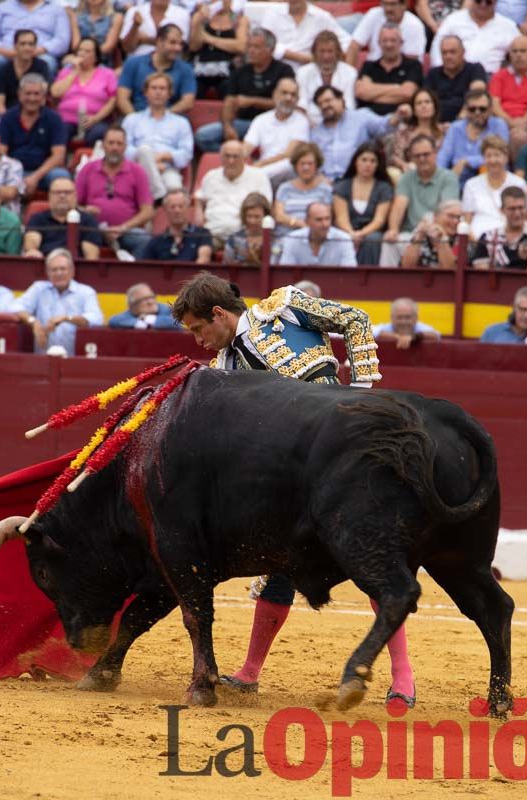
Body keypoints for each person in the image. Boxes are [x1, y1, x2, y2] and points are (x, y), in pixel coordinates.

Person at [169, 273, 411, 707]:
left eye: (197, 328)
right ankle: (250, 671)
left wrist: (358, 401)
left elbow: (355, 320)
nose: (198, 340)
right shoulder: (221, 372)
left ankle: (403, 679)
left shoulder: (282, 307)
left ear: (219, 314)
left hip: (342, 458)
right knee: (277, 565)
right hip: (285, 478)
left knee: (370, 562)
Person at [198, 27, 293, 153]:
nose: (251, 51)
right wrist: (228, 127)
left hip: (273, 123)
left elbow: (286, 104)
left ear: (270, 50)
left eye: (256, 47)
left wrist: (252, 101)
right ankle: (237, 158)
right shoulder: (240, 72)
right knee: (203, 136)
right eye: (249, 46)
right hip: (245, 123)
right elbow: (229, 102)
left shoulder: (284, 71)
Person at [75, 126, 154, 257]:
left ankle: (135, 277)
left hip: (126, 231)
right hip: (92, 229)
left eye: (119, 144)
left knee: (145, 241)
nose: (115, 148)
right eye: (111, 143)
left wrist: (122, 228)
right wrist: (85, 211)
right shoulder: (88, 169)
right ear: (103, 145)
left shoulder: (137, 171)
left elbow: (148, 211)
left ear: (125, 147)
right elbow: (73, 205)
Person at [386, 134, 460, 265]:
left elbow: (447, 209)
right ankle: (388, 283)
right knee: (390, 242)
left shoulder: (449, 177)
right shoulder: (406, 178)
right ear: (412, 157)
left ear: (435, 153)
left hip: (439, 230)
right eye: (417, 155)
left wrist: (429, 228)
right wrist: (393, 229)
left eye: (426, 154)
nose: (422, 159)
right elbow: (399, 206)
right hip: (411, 233)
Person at [16, 249, 104, 355]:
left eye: (63, 269)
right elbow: (14, 307)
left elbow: (97, 319)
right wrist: (33, 322)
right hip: (43, 360)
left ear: (72, 271)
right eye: (54, 270)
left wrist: (67, 318)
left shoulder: (86, 292)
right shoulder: (38, 288)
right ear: (47, 273)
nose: (59, 273)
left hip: (75, 360)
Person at [123, 71, 194, 201]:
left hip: (167, 169)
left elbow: (186, 154)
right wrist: (150, 161)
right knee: (144, 150)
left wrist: (163, 156)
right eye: (154, 88)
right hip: (136, 171)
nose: (158, 92)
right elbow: (124, 149)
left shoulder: (181, 122)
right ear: (145, 92)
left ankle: (154, 196)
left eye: (162, 88)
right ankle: (158, 195)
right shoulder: (131, 120)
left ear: (169, 93)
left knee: (176, 192)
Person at [310, 85, 403, 182]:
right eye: (320, 104)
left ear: (341, 100)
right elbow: (313, 162)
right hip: (327, 182)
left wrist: (399, 115)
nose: (324, 106)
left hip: (357, 181)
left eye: (328, 101)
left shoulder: (361, 117)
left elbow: (384, 126)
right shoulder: (316, 133)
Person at [0, 74, 71, 196]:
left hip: (44, 172)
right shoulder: (7, 118)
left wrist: (35, 177)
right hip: (14, 171)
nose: (32, 98)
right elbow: (1, 153)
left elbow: (58, 156)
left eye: (36, 94)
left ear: (43, 97)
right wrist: (15, 176)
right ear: (20, 95)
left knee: (61, 176)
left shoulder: (54, 119)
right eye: (28, 93)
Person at [193, 139, 272, 246]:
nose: (231, 161)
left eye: (236, 156)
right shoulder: (211, 176)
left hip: (244, 234)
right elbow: (199, 197)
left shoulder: (259, 177)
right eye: (227, 156)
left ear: (244, 158)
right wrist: (198, 212)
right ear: (220, 157)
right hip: (213, 232)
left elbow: (266, 208)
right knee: (195, 249)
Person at [333, 141, 393, 266]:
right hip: (347, 230)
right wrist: (351, 233)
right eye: (364, 160)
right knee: (341, 238)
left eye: (373, 161)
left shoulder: (384, 188)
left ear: (378, 164)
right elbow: (340, 218)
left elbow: (380, 220)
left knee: (373, 240)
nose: (368, 164)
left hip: (371, 232)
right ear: (356, 161)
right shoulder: (342, 186)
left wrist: (361, 234)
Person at [241, 77, 308, 186]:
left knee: (287, 165)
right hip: (263, 168)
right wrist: (238, 160)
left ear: (297, 99)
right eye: (284, 93)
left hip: (286, 168)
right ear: (274, 94)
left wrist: (261, 164)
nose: (288, 98)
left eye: (293, 95)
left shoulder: (301, 120)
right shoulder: (261, 119)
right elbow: (247, 147)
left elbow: (289, 154)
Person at [51, 37, 118, 148]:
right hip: (67, 118)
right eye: (80, 50)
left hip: (95, 119)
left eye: (87, 51)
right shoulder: (66, 72)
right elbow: (55, 93)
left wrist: (95, 118)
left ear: (96, 57)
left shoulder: (107, 74)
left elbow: (112, 100)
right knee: (60, 133)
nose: (82, 54)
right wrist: (74, 72)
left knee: (97, 134)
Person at [0, 0, 71, 79]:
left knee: (48, 63)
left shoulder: (56, 9)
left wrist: (37, 51)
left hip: (40, 54)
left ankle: (45, 98)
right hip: (6, 54)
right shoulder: (2, 8)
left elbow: (62, 40)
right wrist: (6, 52)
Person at [116, 25, 196, 115]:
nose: (178, 48)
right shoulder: (133, 63)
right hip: (136, 116)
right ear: (159, 42)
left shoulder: (186, 69)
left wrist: (162, 117)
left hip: (171, 120)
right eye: (172, 43)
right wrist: (137, 120)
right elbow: (122, 98)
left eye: (180, 44)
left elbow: (187, 102)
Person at [488, 35, 527, 155]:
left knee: (519, 137)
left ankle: (518, 172)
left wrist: (523, 122)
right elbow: (494, 104)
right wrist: (510, 122)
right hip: (502, 122)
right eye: (514, 51)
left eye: (523, 51)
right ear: (509, 55)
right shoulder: (499, 76)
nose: (518, 55)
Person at [438, 89, 509, 187]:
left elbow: (501, 155)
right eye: (472, 109)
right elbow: (444, 155)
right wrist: (440, 175)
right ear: (466, 110)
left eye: (482, 109)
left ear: (490, 109)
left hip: (490, 176)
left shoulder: (498, 125)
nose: (477, 112)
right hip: (459, 179)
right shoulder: (455, 127)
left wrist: (467, 161)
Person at [430, 0, 522, 73]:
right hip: (456, 76)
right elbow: (437, 45)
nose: (483, 4)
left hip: (491, 78)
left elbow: (524, 48)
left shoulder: (508, 26)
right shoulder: (454, 20)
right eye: (478, 1)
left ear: (496, 2)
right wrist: (441, 71)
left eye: (488, 2)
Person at [461, 136, 527, 238]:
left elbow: (524, 218)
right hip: (478, 241)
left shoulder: (519, 183)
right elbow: (467, 221)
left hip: (509, 239)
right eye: (488, 156)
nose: (492, 160)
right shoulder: (471, 184)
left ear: (505, 158)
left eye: (497, 155)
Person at [23, 177, 102, 260]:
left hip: (77, 268)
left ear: (75, 196)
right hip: (45, 266)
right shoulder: (38, 218)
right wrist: (32, 250)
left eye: (67, 192)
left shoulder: (88, 221)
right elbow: (31, 242)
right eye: (57, 192)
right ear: (49, 196)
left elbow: (91, 257)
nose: (62, 196)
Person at [471, 186, 527, 269]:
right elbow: (480, 273)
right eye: (512, 209)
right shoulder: (488, 238)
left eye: (521, 208)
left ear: (526, 208)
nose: (517, 213)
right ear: (502, 210)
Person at [354, 23, 423, 118]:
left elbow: (408, 94)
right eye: (384, 40)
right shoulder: (369, 66)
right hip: (369, 119)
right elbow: (361, 92)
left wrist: (372, 91)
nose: (388, 45)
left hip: (401, 120)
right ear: (378, 43)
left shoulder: (413, 65)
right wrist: (396, 87)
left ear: (401, 43)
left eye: (393, 40)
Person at [259, 0, 349, 69]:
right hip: (276, 69)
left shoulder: (322, 17)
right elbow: (263, 42)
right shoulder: (273, 13)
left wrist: (326, 56)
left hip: (312, 71)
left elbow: (346, 42)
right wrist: (301, 57)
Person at [272, 142, 333, 242]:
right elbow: (279, 216)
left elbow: (326, 218)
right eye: (302, 163)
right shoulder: (284, 188)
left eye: (310, 163)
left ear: (317, 165)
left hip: (315, 238)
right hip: (286, 237)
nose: (306, 167)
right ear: (295, 166)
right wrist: (299, 223)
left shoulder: (325, 190)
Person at [188, 0, 249, 100]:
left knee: (230, 88)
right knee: (194, 89)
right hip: (201, 68)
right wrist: (198, 22)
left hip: (228, 69)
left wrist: (208, 38)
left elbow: (240, 47)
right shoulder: (201, 18)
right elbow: (194, 46)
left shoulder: (238, 19)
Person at [295, 30, 357, 126]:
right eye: (322, 51)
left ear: (337, 52)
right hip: (309, 124)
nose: (326, 56)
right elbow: (301, 105)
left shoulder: (350, 73)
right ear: (314, 53)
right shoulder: (302, 73)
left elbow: (349, 105)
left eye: (330, 51)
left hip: (341, 123)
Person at [0, 29, 54, 115]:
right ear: (15, 46)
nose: (27, 48)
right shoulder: (2, 70)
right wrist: (9, 121)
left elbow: (42, 100)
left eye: (31, 44)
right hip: (9, 116)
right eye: (23, 44)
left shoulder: (42, 67)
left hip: (35, 115)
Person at [425, 34, 487, 124]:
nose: (448, 56)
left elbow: (477, 93)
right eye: (444, 53)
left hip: (466, 122)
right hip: (437, 124)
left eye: (452, 52)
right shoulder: (433, 73)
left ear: (463, 52)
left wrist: (458, 122)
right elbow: (425, 99)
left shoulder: (475, 69)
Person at [387, 88, 449, 175]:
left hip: (438, 172)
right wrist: (403, 165)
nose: (423, 106)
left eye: (427, 102)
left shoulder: (445, 131)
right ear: (414, 110)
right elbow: (396, 157)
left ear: (434, 107)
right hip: (410, 172)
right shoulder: (405, 131)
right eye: (419, 103)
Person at [141, 188, 213, 263]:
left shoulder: (202, 234)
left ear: (188, 208)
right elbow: (146, 268)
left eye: (181, 206)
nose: (177, 210)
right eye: (172, 207)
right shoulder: (156, 241)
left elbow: (203, 260)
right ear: (165, 210)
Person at [278, 200, 357, 267]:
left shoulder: (344, 239)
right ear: (307, 221)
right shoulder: (292, 239)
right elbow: (286, 274)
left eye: (327, 219)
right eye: (319, 220)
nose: (325, 224)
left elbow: (350, 274)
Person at [349, 0, 427, 63]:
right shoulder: (373, 14)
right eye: (385, 4)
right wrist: (350, 74)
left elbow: (412, 61)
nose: (388, 9)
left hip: (403, 73)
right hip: (373, 69)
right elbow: (354, 46)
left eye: (393, 4)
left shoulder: (414, 25)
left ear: (404, 5)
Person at [399, 198, 464, 269]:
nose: (455, 221)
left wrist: (443, 239)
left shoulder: (462, 238)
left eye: (458, 217)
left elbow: (450, 269)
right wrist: (419, 236)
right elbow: (407, 267)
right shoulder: (422, 232)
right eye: (450, 216)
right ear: (435, 216)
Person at [119, 0, 191, 60]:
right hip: (138, 66)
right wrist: (135, 25)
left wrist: (145, 40)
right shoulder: (134, 11)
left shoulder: (183, 14)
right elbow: (127, 48)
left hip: (171, 67)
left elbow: (181, 47)